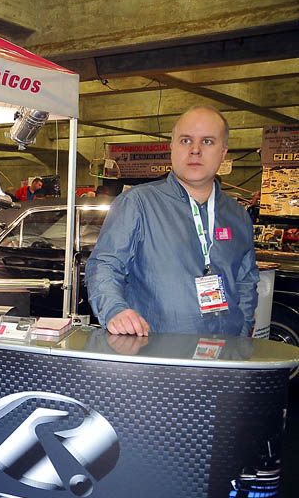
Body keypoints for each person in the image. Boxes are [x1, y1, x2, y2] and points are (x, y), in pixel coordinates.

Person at [85, 105, 258, 337]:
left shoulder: (237, 215)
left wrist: (242, 330)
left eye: (207, 141)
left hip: (226, 349)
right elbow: (105, 265)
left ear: (223, 152)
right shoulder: (138, 204)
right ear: (172, 147)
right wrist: (115, 310)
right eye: (186, 141)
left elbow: (246, 281)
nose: (195, 150)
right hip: (156, 349)